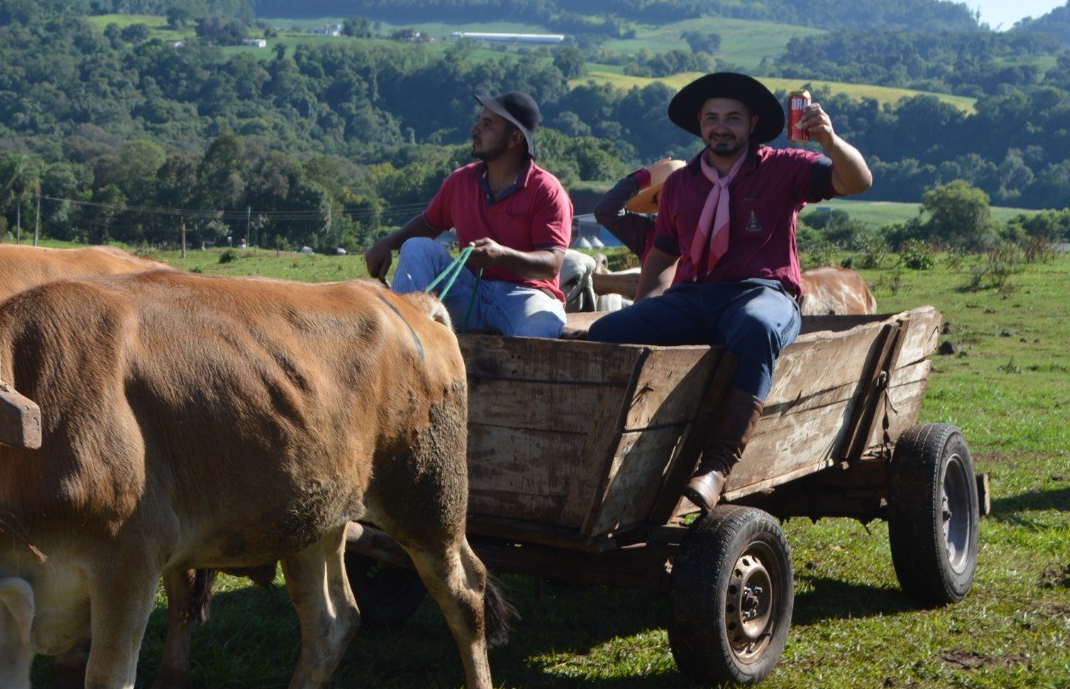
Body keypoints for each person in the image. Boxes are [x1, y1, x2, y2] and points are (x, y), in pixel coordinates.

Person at [588, 73, 873, 511]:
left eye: (733, 118)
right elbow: (663, 254)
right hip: (693, 298)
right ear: (699, 124)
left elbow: (857, 182)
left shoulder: (783, 166)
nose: (721, 127)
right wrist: (646, 305)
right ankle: (607, 451)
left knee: (756, 327)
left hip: (763, 292)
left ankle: (717, 464)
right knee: (607, 332)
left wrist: (831, 142)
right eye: (712, 118)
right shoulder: (681, 184)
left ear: (752, 123)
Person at [364, 92, 572, 337]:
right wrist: (388, 243)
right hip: (469, 291)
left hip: (525, 295)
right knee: (417, 247)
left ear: (515, 138)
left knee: (540, 325)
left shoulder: (546, 190)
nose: (475, 129)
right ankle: (404, 342)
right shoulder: (461, 180)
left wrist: (502, 255)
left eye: (488, 124)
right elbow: (429, 224)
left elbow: (551, 264)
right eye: (479, 120)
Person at [592, 156, 685, 299]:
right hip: (655, 313)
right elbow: (605, 211)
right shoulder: (647, 234)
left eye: (674, 197)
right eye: (663, 201)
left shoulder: (708, 228)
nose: (669, 206)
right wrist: (643, 177)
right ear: (657, 206)